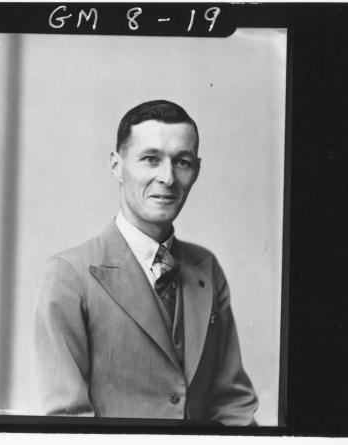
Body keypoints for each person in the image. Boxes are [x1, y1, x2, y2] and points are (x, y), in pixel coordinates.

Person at [33, 100, 258, 425]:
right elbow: (68, 423)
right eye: (151, 159)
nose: (167, 177)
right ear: (116, 165)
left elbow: (233, 404)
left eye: (182, 162)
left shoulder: (206, 269)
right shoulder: (68, 275)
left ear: (196, 170)